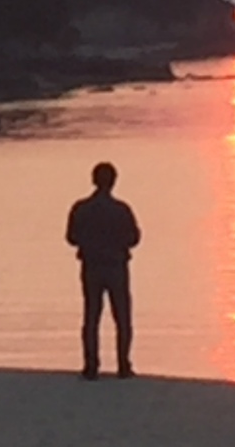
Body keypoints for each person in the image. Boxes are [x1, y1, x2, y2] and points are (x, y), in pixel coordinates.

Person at [65, 161, 141, 380]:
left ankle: (91, 366)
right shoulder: (121, 210)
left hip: (91, 267)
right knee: (122, 318)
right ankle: (123, 365)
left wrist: (90, 242)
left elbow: (71, 237)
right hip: (116, 267)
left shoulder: (81, 208)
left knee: (92, 317)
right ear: (114, 182)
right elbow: (134, 238)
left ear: (93, 180)